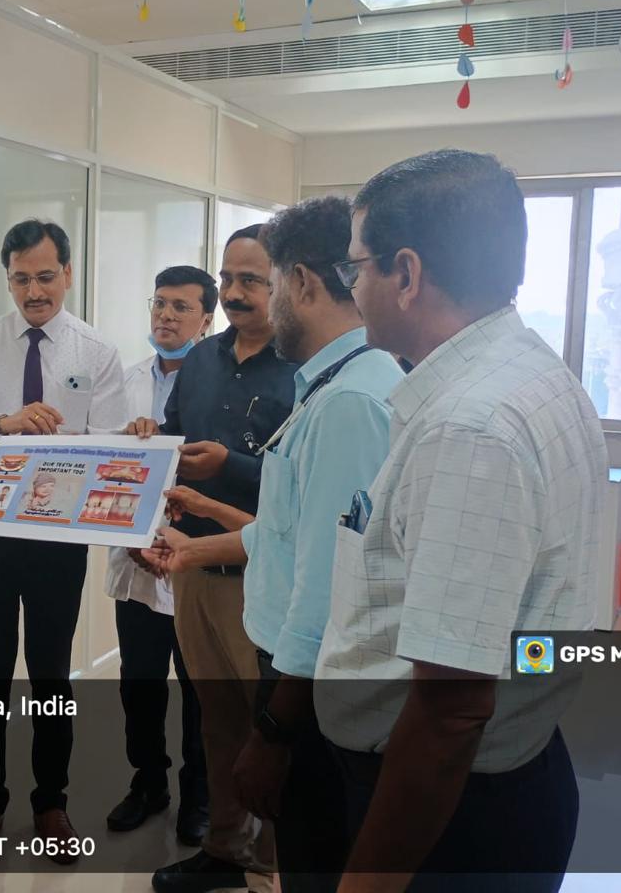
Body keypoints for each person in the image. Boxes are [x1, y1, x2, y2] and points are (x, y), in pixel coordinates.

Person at [313, 150, 608, 893]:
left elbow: (450, 713)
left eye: (357, 268)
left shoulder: (469, 429)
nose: (352, 289)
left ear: (407, 275)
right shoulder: (528, 369)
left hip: (450, 813)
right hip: (503, 773)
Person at [145, 197, 401, 893]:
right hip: (245, 598)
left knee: (305, 829)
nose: (236, 295)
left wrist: (276, 728)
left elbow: (325, 585)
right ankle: (230, 853)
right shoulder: (333, 381)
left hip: (305, 669)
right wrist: (193, 549)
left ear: (300, 283)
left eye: (264, 280)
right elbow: (295, 529)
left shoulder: (349, 402)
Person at [0, 218, 127, 867]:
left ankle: (51, 802)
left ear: (67, 272)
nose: (34, 291)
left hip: (57, 538)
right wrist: (3, 422)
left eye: (45, 276)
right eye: (20, 279)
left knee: (50, 672)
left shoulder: (95, 352)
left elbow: (112, 443)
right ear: (7, 279)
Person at [133, 227, 296, 893]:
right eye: (227, 278)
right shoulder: (200, 359)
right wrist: (154, 468)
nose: (233, 293)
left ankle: (276, 866)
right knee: (217, 717)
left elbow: (301, 484)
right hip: (194, 569)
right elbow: (175, 442)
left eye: (250, 281)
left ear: (286, 281)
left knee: (275, 729)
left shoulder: (302, 367)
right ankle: (225, 848)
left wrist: (232, 464)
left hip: (266, 575)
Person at [104, 265, 216, 842]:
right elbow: (104, 466)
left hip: (195, 558)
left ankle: (200, 797)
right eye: (159, 304)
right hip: (135, 558)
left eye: (181, 307)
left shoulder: (218, 385)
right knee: (139, 684)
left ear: (206, 320)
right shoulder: (123, 382)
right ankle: (148, 783)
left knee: (199, 689)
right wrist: (133, 538)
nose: (166, 316)